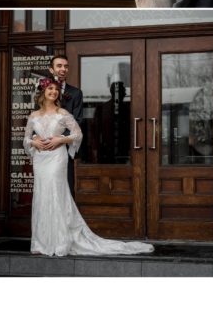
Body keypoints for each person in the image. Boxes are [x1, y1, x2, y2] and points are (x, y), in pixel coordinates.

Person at [23, 78, 154, 256]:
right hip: (40, 160)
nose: (53, 92)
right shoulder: (33, 116)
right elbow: (26, 139)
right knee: (41, 195)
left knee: (55, 193)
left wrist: (61, 139)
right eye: (50, 89)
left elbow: (78, 134)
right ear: (43, 92)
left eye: (56, 89)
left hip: (56, 158)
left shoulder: (63, 114)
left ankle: (60, 242)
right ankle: (41, 242)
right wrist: (34, 143)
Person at [45, 55, 83, 197]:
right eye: (59, 66)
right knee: (47, 187)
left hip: (64, 148)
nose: (63, 69)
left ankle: (66, 219)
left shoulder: (76, 93)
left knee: (66, 187)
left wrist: (60, 139)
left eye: (66, 66)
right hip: (45, 147)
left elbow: (78, 121)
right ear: (51, 69)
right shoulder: (41, 91)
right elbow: (38, 117)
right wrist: (42, 139)